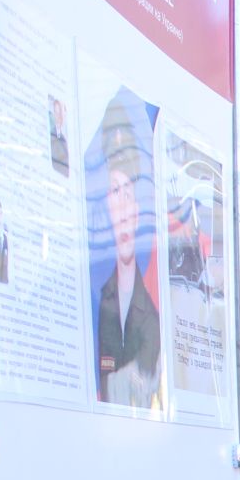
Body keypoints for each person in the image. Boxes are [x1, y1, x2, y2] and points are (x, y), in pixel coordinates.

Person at [96, 98, 162, 409]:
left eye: (128, 193)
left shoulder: (151, 319)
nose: (122, 208)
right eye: (114, 192)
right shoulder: (97, 302)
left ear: (138, 211)